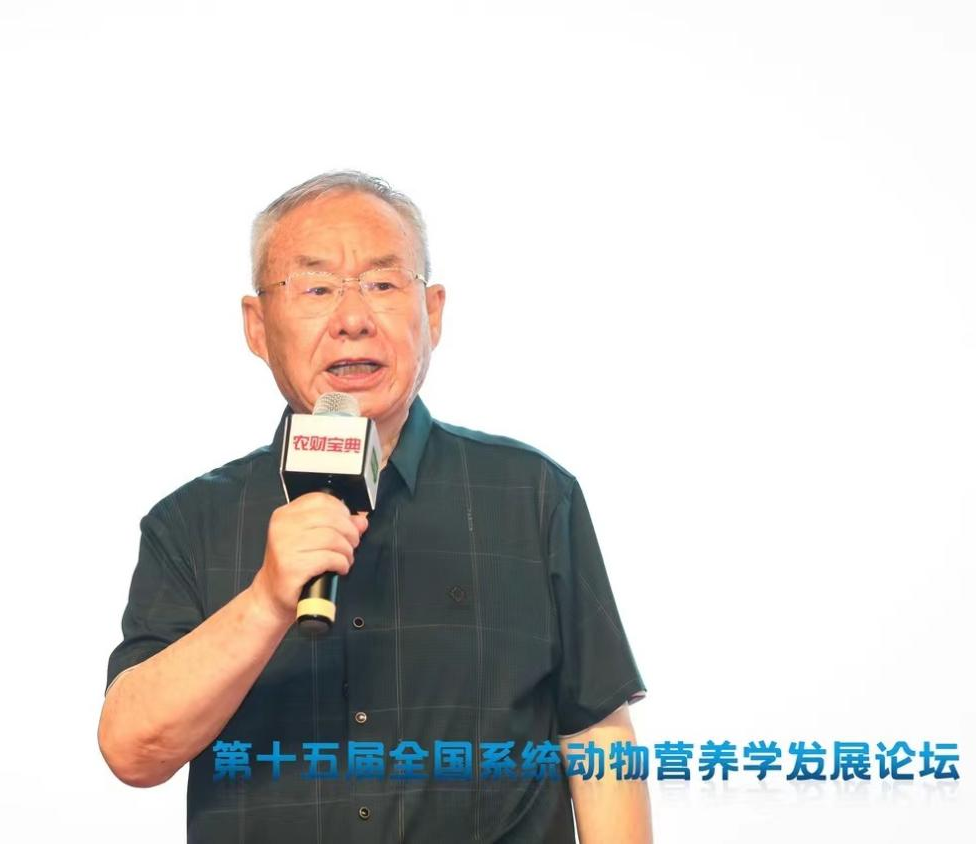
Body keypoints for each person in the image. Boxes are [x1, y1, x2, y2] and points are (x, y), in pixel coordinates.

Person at [98, 170, 652, 843]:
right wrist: (266, 602)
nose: (353, 318)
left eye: (383, 284)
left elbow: (597, 734)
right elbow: (134, 750)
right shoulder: (188, 523)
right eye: (316, 289)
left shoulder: (534, 494)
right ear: (257, 326)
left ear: (433, 313)